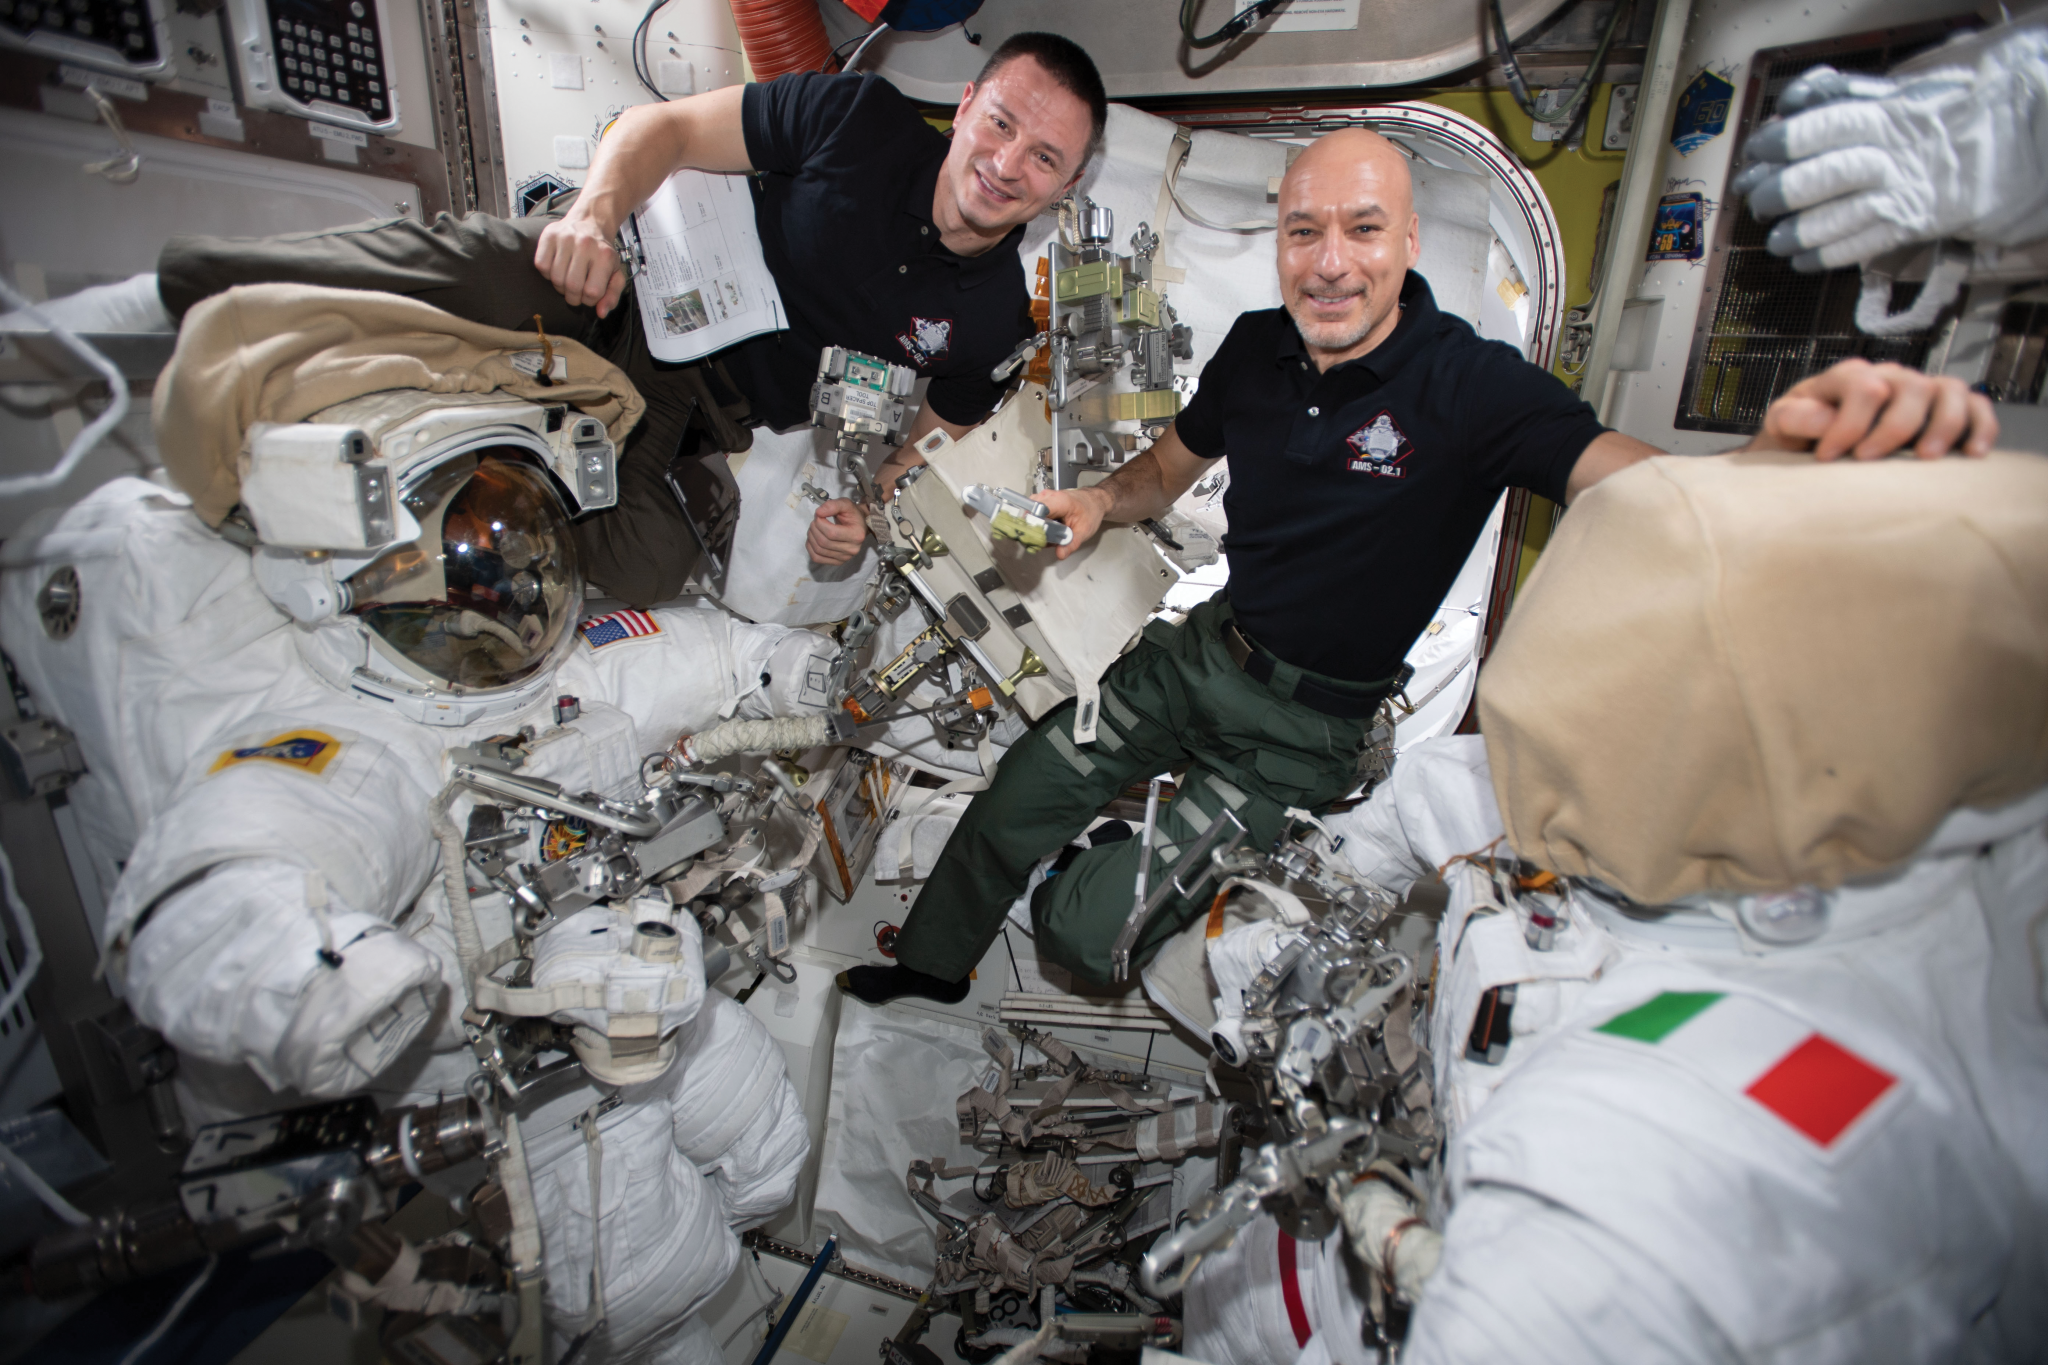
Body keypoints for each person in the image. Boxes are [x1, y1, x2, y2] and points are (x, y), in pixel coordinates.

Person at [839, 125, 2001, 1006]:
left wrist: (1771, 472)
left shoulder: (1470, 387)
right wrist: (1094, 504)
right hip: (1197, 653)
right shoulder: (1252, 352)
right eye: (1304, 231)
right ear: (1280, 242)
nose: (1329, 262)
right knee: (1013, 800)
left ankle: (1127, 857)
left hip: (1297, 728)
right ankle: (935, 970)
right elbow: (1159, 477)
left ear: (1401, 242)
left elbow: (1634, 483)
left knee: (1084, 937)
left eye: (1359, 230)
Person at [0, 293, 843, 1362]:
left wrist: (781, 665)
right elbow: (220, 886)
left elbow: (692, 654)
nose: (505, 595)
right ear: (339, 583)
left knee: (773, 1156)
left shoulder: (555, 671)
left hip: (656, 1004)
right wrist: (322, 980)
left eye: (520, 540)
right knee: (664, 1290)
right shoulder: (354, 745)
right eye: (461, 569)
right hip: (537, 1087)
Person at [1186, 445, 2048, 1363]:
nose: (1542, 771)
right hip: (1361, 1187)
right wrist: (1277, 933)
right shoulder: (1608, 784)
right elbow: (1432, 799)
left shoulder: (1660, 1185)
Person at [149, 33, 1106, 605]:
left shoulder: (989, 322)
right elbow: (669, 130)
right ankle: (188, 286)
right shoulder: (858, 119)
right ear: (969, 103)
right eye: (1003, 124)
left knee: (644, 569)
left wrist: (872, 498)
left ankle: (378, 527)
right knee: (481, 270)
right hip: (628, 290)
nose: (1008, 162)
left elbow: (940, 429)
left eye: (1046, 158)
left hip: (703, 417)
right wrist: (592, 216)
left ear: (1064, 190)